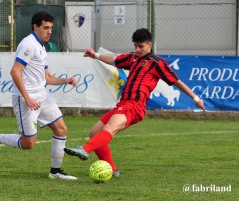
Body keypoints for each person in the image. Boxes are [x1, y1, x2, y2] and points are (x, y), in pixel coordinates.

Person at [64, 28, 205, 177]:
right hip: (123, 104)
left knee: (110, 128)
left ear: (150, 45)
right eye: (135, 46)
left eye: (141, 46)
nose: (137, 49)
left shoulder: (157, 62)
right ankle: (113, 170)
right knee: (94, 133)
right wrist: (96, 55)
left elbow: (176, 81)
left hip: (135, 106)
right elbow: (114, 60)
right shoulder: (133, 58)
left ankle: (85, 150)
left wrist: (196, 99)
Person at [0, 11, 78, 180]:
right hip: (26, 100)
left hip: (42, 96)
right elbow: (15, 72)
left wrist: (66, 80)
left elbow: (47, 78)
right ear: (35, 27)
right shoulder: (28, 44)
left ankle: (55, 172)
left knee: (61, 129)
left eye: (51, 28)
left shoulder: (42, 46)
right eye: (45, 28)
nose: (49, 31)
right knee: (29, 143)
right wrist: (28, 98)